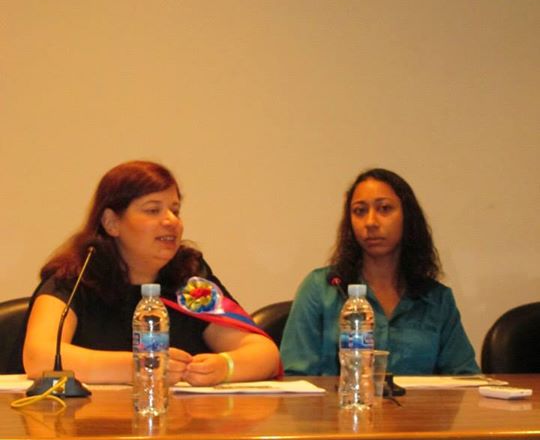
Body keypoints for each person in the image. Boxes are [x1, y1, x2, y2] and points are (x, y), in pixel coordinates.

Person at [21, 160, 280, 385]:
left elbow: (264, 353)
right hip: (84, 421)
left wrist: (225, 367)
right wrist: (142, 365)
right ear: (111, 223)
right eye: (153, 210)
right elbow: (39, 356)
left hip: (178, 421)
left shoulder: (188, 282)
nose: (171, 221)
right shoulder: (75, 278)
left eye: (175, 210)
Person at [280, 168, 479, 376]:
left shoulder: (436, 299)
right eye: (360, 211)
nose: (371, 222)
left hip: (416, 400)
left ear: (407, 217)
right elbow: (294, 378)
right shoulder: (322, 288)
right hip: (344, 397)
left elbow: (466, 378)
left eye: (384, 209)